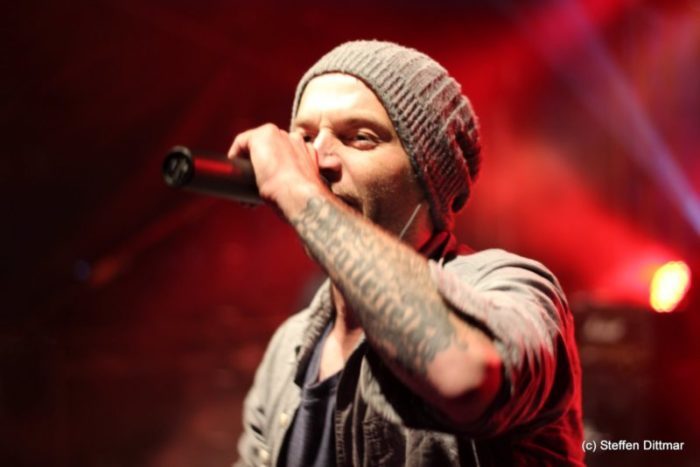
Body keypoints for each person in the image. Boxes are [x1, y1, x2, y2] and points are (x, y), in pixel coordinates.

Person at [231, 40, 584, 466]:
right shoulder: (288, 346)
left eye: (360, 138)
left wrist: (298, 191)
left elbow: (465, 376)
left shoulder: (513, 289)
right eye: (303, 138)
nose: (316, 162)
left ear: (428, 179)